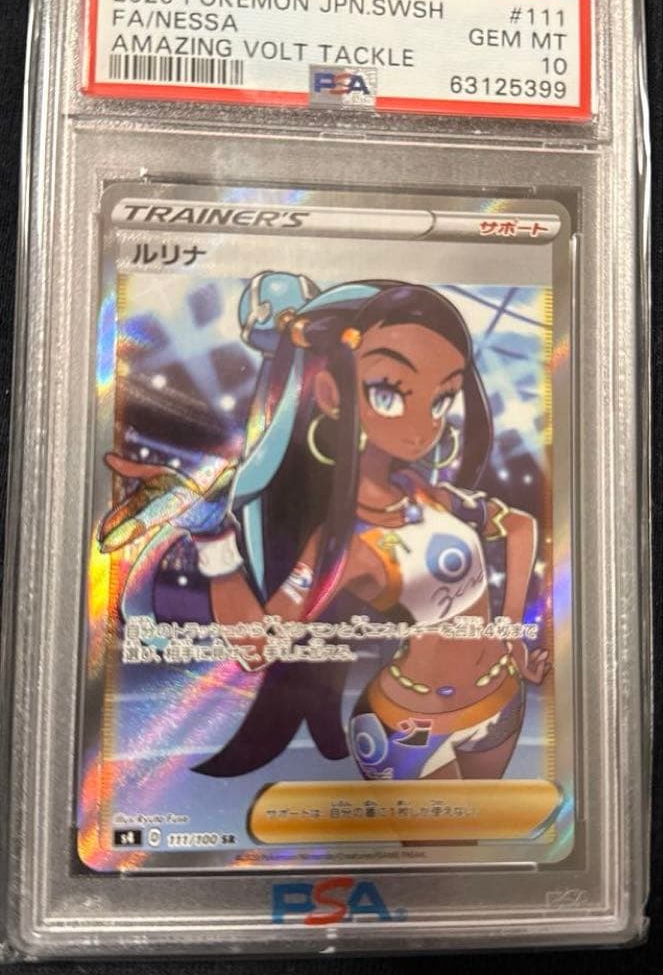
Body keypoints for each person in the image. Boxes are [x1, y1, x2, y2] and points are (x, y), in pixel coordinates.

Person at [101, 272, 550, 782]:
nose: (425, 425)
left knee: (486, 832)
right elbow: (259, 647)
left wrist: (509, 631)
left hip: (501, 698)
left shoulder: (426, 493)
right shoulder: (342, 545)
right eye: (389, 393)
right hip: (414, 725)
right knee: (443, 834)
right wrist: (212, 535)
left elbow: (519, 526)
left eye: (442, 399)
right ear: (331, 394)